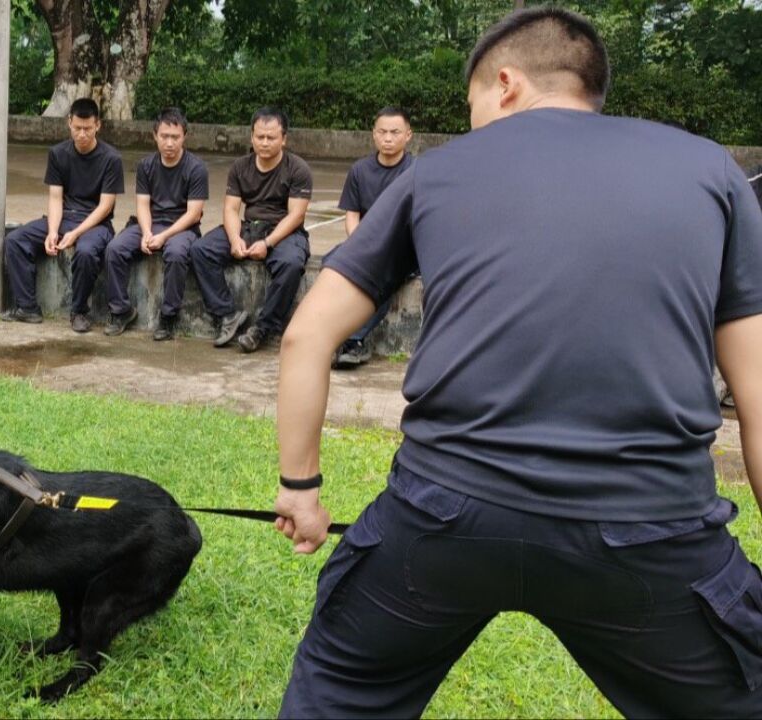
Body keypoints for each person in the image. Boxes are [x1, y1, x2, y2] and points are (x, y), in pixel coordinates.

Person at [272, 8, 762, 718]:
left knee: (342, 692)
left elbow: (306, 336)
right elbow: (755, 393)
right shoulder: (711, 171)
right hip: (651, 530)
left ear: (505, 84)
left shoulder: (437, 172)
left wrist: (300, 487)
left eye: (470, 104)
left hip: (443, 515)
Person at [192, 107, 313, 353]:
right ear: (251, 137)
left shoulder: (298, 168)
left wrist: (268, 243)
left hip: (285, 231)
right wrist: (235, 238)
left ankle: (263, 328)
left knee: (291, 264)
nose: (265, 143)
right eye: (260, 137)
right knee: (201, 250)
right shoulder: (240, 167)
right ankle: (227, 315)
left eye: (271, 137)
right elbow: (231, 209)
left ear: (284, 139)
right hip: (250, 227)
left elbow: (296, 215)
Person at [2, 97, 124, 332]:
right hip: (65, 216)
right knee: (15, 240)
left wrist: (76, 233)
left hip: (96, 223)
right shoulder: (58, 153)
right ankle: (27, 307)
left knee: (86, 251)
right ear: (69, 123)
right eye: (77, 128)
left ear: (98, 125)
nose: (82, 134)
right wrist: (52, 231)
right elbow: (56, 198)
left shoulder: (111, 158)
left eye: (87, 129)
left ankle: (79, 311)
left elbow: (105, 206)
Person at [102, 106, 209, 340]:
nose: (169, 143)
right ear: (155, 135)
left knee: (177, 253)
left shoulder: (196, 168)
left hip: (182, 227)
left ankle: (168, 317)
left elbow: (193, 214)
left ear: (184, 137)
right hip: (150, 222)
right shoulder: (146, 165)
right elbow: (142, 204)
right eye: (164, 136)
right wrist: (148, 232)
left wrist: (163, 236)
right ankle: (121, 311)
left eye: (175, 137)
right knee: (114, 249)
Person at [332, 107, 414, 368]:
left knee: (383, 276)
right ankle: (332, 333)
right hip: (364, 243)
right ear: (373, 135)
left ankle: (354, 340)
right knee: (332, 266)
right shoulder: (359, 170)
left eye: (395, 132)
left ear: (408, 135)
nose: (388, 138)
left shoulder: (417, 170)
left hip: (401, 246)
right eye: (382, 132)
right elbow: (352, 214)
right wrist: (359, 245)